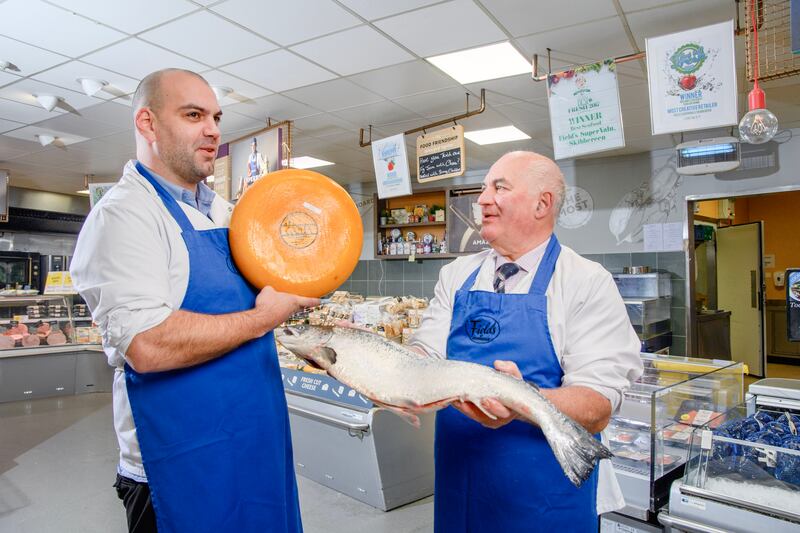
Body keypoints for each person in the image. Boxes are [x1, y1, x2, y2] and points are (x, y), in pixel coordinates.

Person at [70, 69, 318, 533]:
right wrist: (262, 318)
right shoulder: (123, 217)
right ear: (147, 123)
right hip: (180, 466)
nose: (213, 130)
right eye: (193, 115)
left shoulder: (227, 214)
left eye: (217, 117)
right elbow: (148, 345)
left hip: (255, 443)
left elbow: (260, 304)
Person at [409, 151, 643, 532]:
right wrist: (383, 368)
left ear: (542, 204)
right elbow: (425, 355)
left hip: (545, 501)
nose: (482, 199)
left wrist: (521, 402)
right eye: (484, 188)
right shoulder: (456, 275)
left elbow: (597, 404)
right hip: (461, 488)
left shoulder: (585, 281)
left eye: (499, 187)